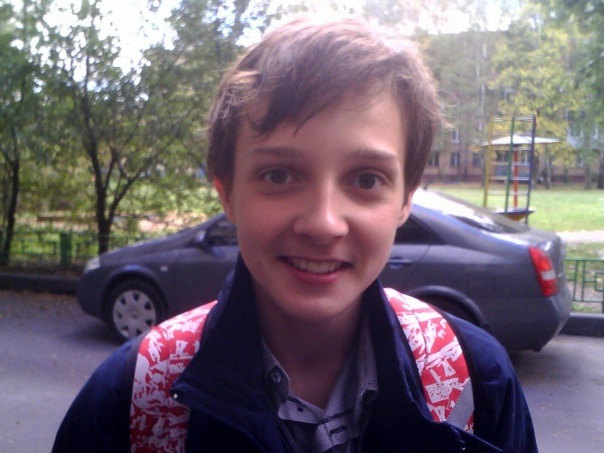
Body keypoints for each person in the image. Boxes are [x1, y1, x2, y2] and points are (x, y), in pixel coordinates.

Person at [53, 16, 537, 452]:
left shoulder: (474, 382)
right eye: (280, 175)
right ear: (227, 193)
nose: (323, 224)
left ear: (405, 198)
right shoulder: (132, 400)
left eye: (366, 179)